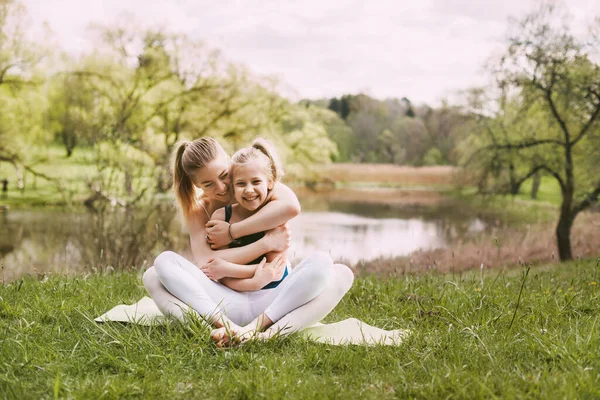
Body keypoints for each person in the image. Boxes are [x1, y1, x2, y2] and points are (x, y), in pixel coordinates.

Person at [143, 137, 354, 346]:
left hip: (275, 301)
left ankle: (263, 335)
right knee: (155, 272)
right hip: (225, 301)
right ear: (196, 185)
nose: (222, 188)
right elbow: (209, 265)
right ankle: (222, 329)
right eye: (208, 184)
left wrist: (232, 232)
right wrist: (265, 245)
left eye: (224, 176)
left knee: (338, 271)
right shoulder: (201, 210)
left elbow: (292, 207)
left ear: (229, 163)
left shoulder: (254, 185)